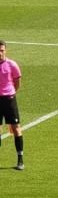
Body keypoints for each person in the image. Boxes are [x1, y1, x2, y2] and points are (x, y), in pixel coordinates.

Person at [0, 41, 25, 171]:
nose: (0, 53)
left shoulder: (11, 64)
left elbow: (17, 81)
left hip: (9, 99)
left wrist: (11, 92)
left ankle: (20, 159)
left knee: (16, 129)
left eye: (2, 50)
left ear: (6, 51)